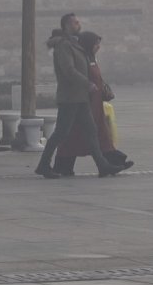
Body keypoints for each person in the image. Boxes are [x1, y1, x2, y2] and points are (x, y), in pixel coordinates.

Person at [34, 14, 124, 179]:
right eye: (76, 22)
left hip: (80, 97)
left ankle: (103, 166)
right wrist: (87, 83)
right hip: (70, 97)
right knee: (61, 133)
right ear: (67, 26)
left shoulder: (74, 44)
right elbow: (68, 70)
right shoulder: (63, 46)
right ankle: (43, 165)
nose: (79, 24)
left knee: (91, 131)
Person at [53, 31, 134, 176]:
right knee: (75, 136)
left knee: (100, 135)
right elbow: (76, 77)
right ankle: (62, 166)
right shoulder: (81, 60)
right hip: (84, 103)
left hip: (95, 104)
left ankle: (114, 162)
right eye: (96, 44)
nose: (98, 47)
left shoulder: (91, 58)